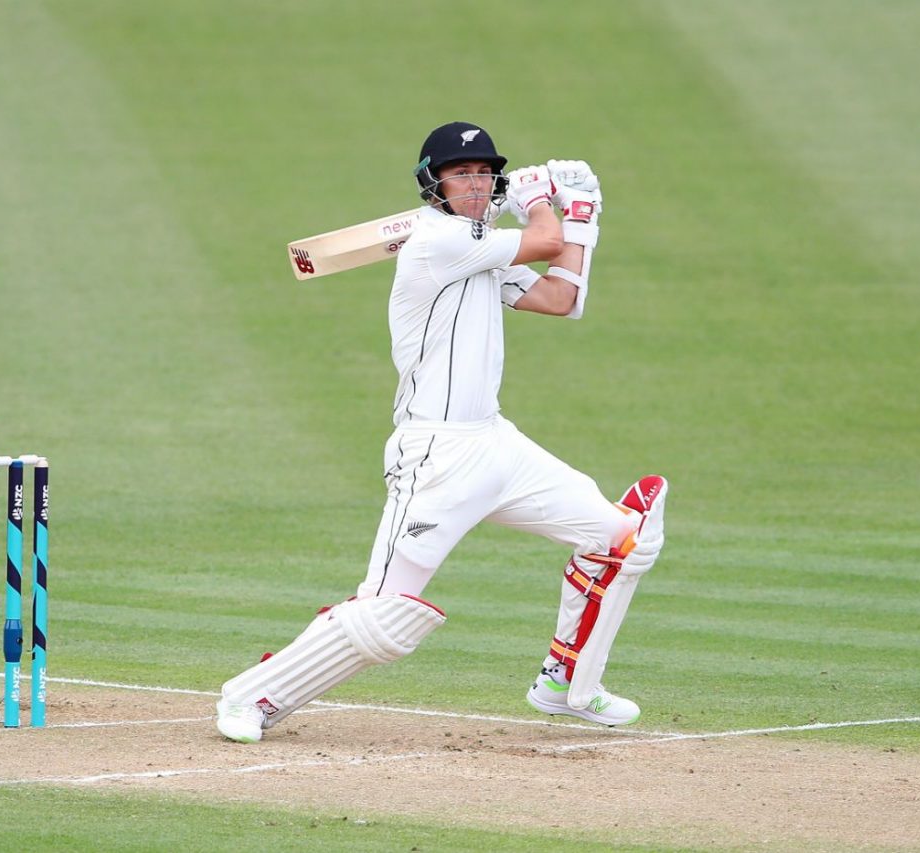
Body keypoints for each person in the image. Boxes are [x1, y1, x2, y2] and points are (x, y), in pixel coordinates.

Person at [215, 122, 668, 743]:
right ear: (435, 183)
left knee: (623, 541)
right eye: (464, 174)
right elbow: (540, 242)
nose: (477, 184)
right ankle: (252, 696)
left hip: (496, 443)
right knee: (385, 615)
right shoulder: (435, 241)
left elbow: (562, 299)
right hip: (435, 453)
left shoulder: (482, 251)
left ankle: (568, 685)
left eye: (487, 174)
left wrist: (582, 216)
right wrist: (544, 199)